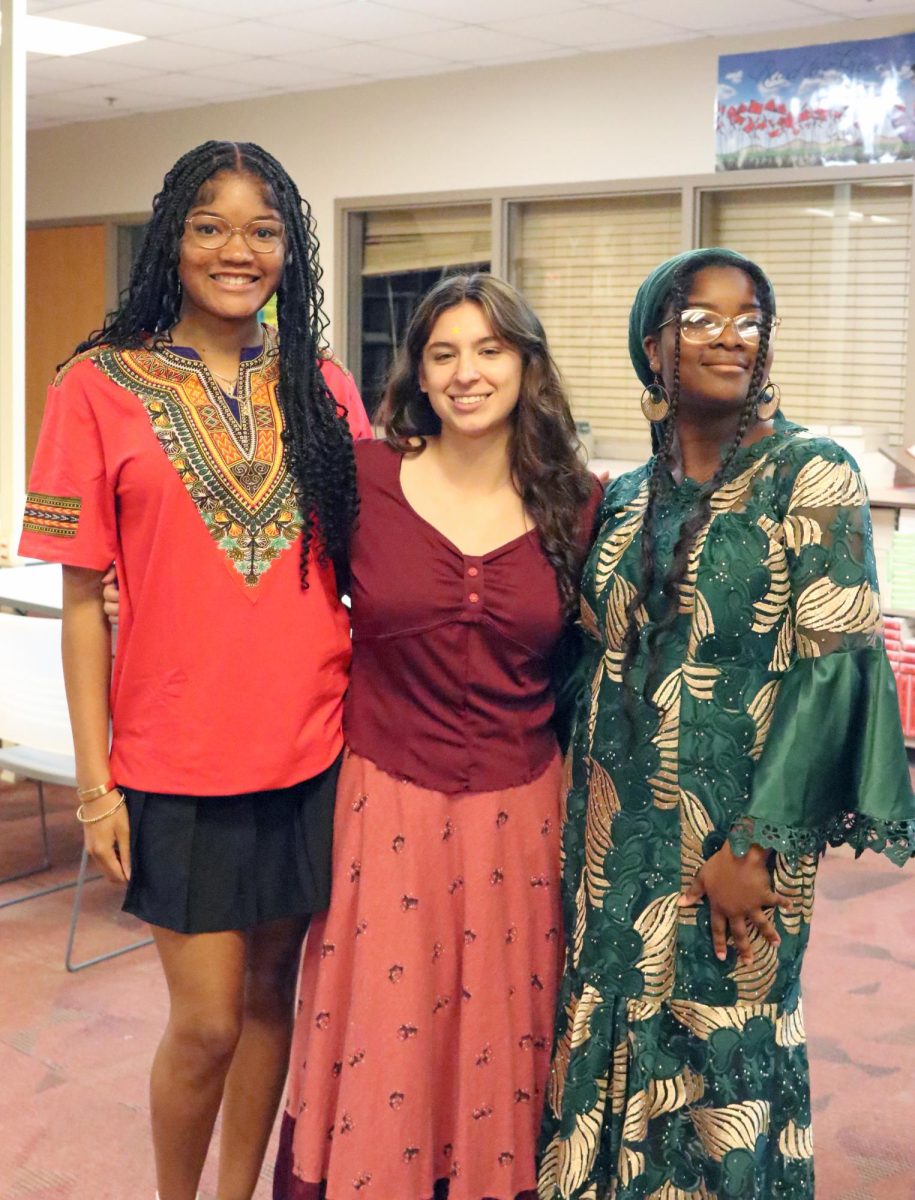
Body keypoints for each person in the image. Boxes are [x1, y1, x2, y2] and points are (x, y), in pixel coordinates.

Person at [19, 140, 371, 1200]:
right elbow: (84, 601)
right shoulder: (95, 385)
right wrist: (94, 783)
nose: (237, 249)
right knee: (208, 1017)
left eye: (263, 229)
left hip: (315, 746)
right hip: (173, 757)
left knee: (273, 995)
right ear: (172, 239)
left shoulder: (320, 384)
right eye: (210, 225)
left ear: (290, 251)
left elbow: (379, 546)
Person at [538, 247, 915, 1200]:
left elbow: (836, 669)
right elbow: (589, 652)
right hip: (610, 835)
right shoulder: (623, 496)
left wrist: (757, 843)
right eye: (699, 319)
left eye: (747, 319)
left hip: (738, 833)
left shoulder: (808, 475)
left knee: (725, 1043)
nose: (728, 337)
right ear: (650, 345)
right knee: (612, 1022)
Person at [272, 273, 602, 1200]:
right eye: (443, 353)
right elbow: (267, 584)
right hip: (384, 810)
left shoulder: (579, 502)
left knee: (500, 1033)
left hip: (519, 817)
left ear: (527, 365)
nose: (466, 373)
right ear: (417, 371)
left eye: (489, 350)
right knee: (383, 1026)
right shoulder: (364, 481)